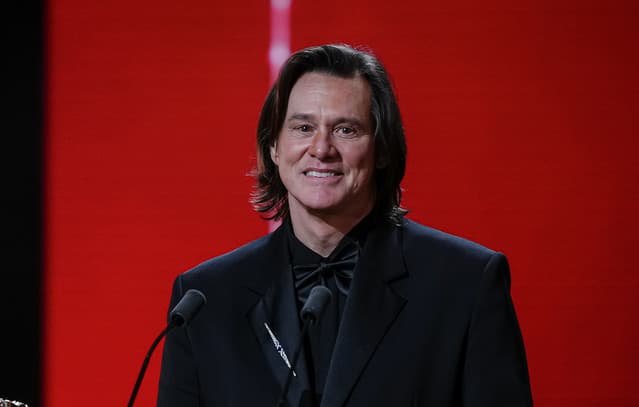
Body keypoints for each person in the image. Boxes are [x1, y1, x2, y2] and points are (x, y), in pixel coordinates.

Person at [157, 44, 533, 407]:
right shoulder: (204, 299)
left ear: (381, 149)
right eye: (303, 127)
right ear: (274, 147)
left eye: (346, 130)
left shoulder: (465, 284)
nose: (321, 149)